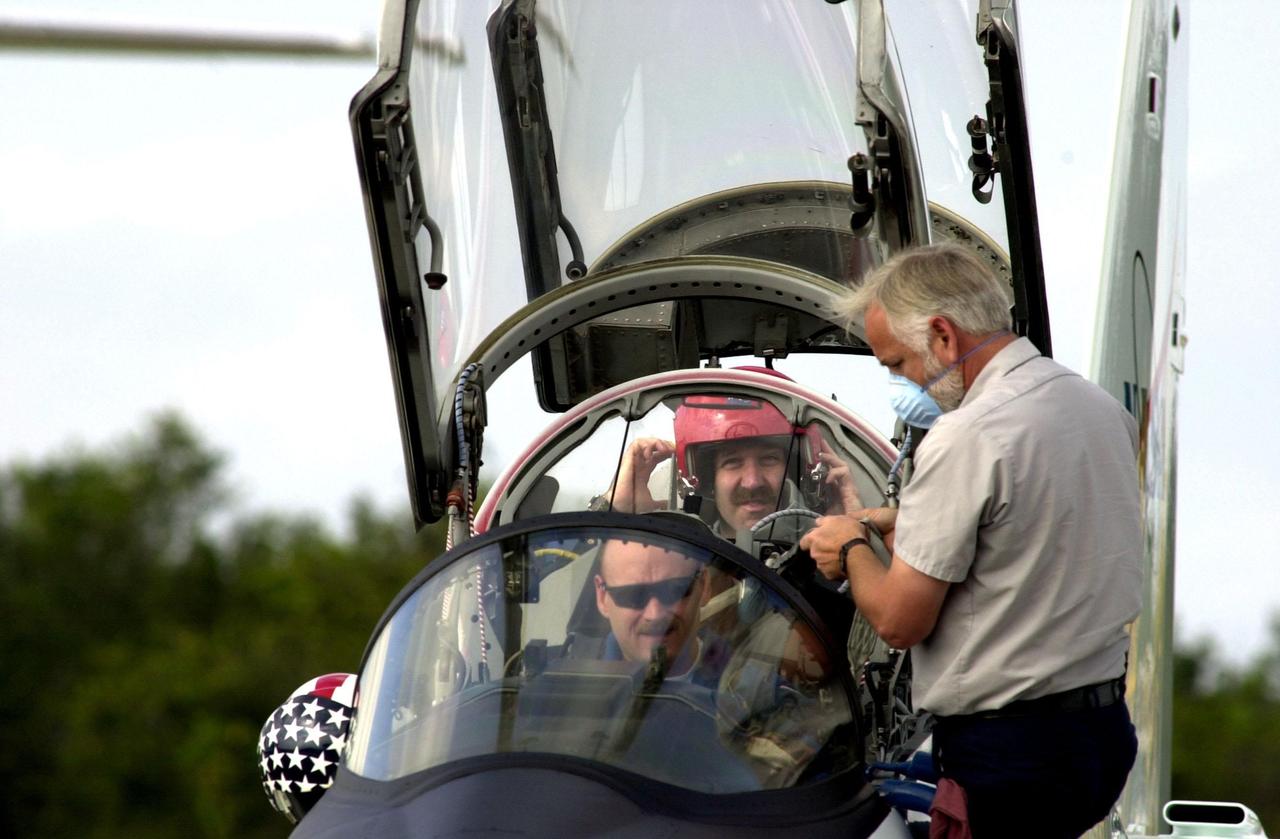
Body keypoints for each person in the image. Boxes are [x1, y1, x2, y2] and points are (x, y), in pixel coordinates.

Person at [799, 243, 1141, 838]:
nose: (905, 382)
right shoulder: (1101, 409)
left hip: (1010, 760)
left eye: (899, 363)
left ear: (943, 336)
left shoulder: (966, 435)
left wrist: (851, 545)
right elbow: (1031, 543)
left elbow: (901, 623)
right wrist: (902, 520)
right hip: (1101, 738)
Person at [593, 538, 710, 677]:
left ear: (703, 586)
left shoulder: (739, 681)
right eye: (633, 595)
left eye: (674, 590)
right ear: (602, 597)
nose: (655, 614)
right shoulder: (564, 677)